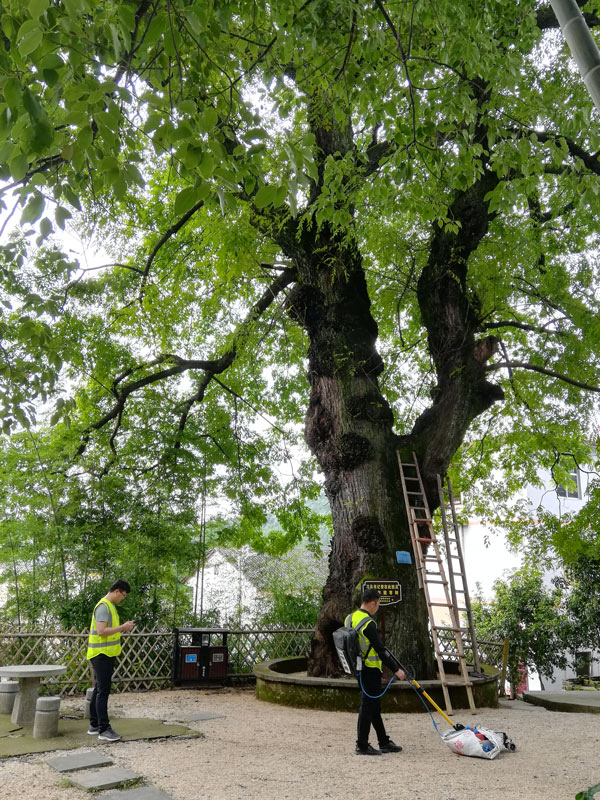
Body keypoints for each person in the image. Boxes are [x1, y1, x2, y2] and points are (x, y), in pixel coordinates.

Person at [347, 587, 406, 755]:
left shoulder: (350, 618)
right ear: (372, 603)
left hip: (357, 668)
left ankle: (384, 741)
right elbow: (381, 650)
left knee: (373, 706)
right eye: (378, 604)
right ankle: (362, 745)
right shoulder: (368, 624)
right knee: (367, 706)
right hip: (370, 670)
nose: (378, 607)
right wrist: (397, 670)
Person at [86, 579, 135, 742]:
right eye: (124, 595)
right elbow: (101, 631)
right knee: (103, 691)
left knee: (99, 688)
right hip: (101, 654)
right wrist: (123, 627)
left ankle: (94, 725)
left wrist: (123, 627)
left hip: (104, 653)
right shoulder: (103, 606)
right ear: (117, 591)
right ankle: (104, 729)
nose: (123, 598)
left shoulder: (109, 606)